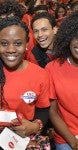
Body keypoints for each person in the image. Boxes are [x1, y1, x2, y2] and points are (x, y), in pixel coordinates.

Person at [0, 17, 50, 150]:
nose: (11, 49)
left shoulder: (40, 74)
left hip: (28, 131)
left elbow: (43, 110)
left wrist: (35, 126)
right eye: (4, 43)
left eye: (18, 43)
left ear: (26, 45)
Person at [46, 11, 78, 150]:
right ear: (68, 38)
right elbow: (52, 111)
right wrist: (74, 143)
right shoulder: (53, 68)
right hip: (67, 137)